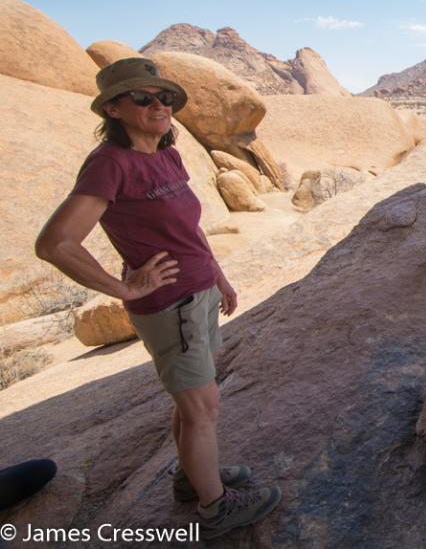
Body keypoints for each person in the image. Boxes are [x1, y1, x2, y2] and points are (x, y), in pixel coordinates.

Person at [34, 58, 280, 540]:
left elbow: (187, 229)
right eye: (143, 98)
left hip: (199, 293)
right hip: (171, 308)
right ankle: (215, 508)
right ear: (113, 108)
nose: (159, 105)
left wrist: (218, 276)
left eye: (164, 96)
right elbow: (56, 243)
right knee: (203, 408)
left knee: (192, 403)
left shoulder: (166, 153)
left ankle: (193, 479)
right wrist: (124, 288)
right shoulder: (110, 163)